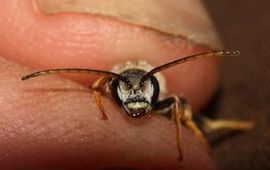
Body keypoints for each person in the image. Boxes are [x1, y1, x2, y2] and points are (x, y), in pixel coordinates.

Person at [0, 0, 221, 169]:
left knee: (178, 102)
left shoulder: (163, 95)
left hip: (187, 120)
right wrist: (99, 106)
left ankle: (207, 127)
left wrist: (180, 145)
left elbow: (175, 103)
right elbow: (98, 85)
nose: (136, 98)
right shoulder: (105, 84)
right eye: (129, 91)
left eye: (141, 90)